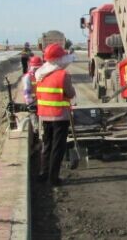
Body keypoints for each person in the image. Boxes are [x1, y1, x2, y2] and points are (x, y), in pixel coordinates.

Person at [35, 43, 76, 186]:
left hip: (44, 115)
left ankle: (44, 173)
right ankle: (53, 179)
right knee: (58, 147)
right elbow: (70, 93)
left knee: (47, 145)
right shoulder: (63, 75)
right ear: (59, 59)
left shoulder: (40, 74)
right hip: (59, 116)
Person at [22, 56, 43, 134]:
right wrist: (29, 102)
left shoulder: (43, 75)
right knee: (34, 114)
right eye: (35, 68)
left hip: (43, 101)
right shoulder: (28, 77)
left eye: (38, 68)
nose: (37, 70)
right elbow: (26, 91)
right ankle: (36, 129)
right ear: (31, 67)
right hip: (33, 102)